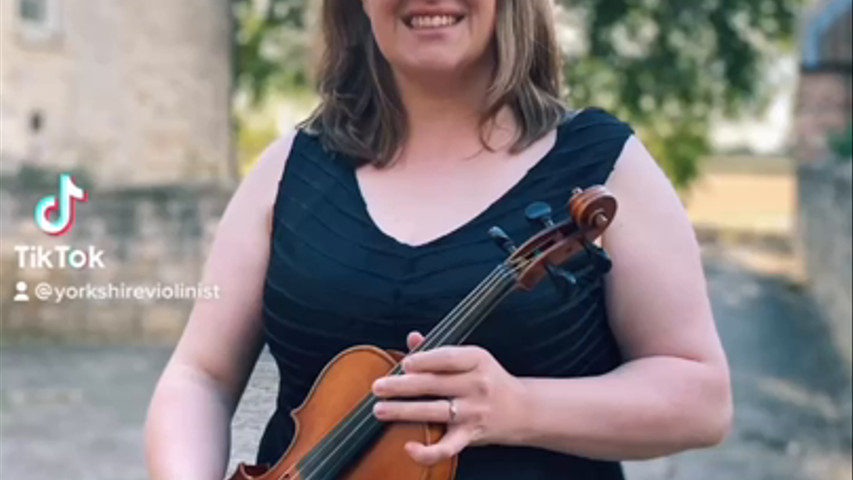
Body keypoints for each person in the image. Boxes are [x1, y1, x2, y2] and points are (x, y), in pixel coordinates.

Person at [145, 1, 733, 479]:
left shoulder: (604, 167)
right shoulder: (288, 168)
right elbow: (200, 376)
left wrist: (520, 409)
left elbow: (702, 398)